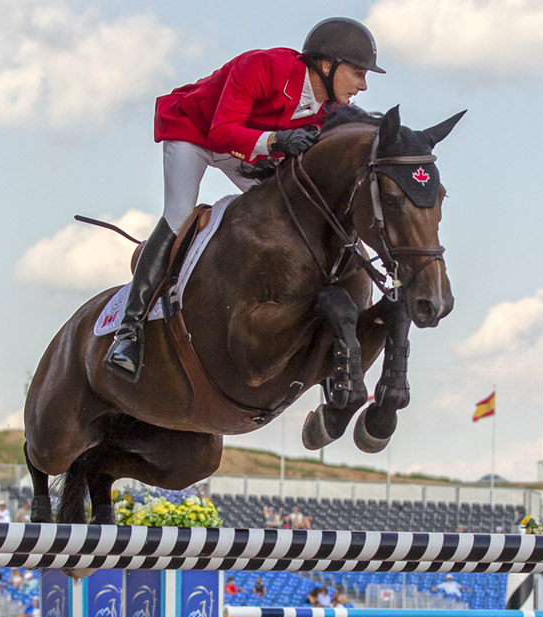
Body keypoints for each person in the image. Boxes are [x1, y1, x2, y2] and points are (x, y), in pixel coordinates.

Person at [103, 17, 384, 381]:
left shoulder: (324, 109)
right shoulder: (264, 66)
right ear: (327, 65)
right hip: (196, 134)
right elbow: (220, 132)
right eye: (359, 73)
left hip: (242, 149)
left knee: (284, 213)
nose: (362, 85)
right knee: (177, 216)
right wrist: (275, 142)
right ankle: (129, 331)